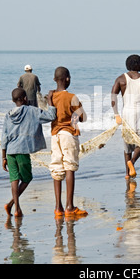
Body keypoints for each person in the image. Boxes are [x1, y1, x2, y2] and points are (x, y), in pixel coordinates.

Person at [1, 88, 57, 217]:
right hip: (22, 150)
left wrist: (3, 157)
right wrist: (50, 102)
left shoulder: (8, 114)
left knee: (14, 179)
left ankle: (16, 208)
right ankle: (12, 205)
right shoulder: (32, 111)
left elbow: (4, 137)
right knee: (27, 178)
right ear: (25, 98)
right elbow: (51, 116)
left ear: (13, 101)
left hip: (10, 151)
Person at [49, 66, 88, 217]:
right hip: (68, 134)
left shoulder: (51, 97)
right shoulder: (72, 97)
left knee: (57, 169)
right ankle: (69, 207)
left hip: (54, 135)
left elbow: (51, 114)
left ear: (54, 79)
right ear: (68, 79)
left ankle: (58, 208)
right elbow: (83, 118)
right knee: (69, 167)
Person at [111, 54, 140, 181]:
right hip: (139, 113)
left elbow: (113, 98)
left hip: (126, 113)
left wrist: (116, 114)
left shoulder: (120, 79)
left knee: (127, 146)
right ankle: (132, 162)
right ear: (137, 64)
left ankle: (127, 173)